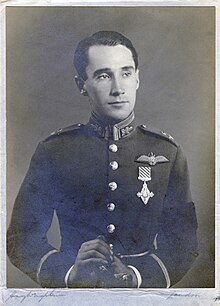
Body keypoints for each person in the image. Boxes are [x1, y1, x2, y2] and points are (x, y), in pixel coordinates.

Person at [7, 31, 198, 288]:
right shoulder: (54, 151)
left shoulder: (167, 152)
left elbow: (183, 243)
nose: (118, 88)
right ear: (81, 84)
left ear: (138, 79)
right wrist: (68, 273)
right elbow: (21, 237)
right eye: (104, 75)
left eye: (126, 73)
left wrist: (136, 275)